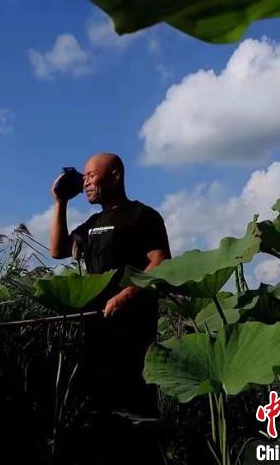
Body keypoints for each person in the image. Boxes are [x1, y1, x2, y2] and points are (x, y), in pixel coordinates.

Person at [49, 152, 171, 416]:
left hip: (134, 330)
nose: (85, 182)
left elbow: (160, 261)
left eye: (91, 175)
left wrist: (125, 296)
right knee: (101, 410)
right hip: (97, 329)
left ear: (115, 175)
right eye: (84, 177)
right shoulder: (92, 224)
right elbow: (58, 251)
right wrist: (61, 202)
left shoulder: (142, 215)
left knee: (136, 408)